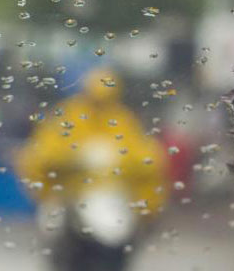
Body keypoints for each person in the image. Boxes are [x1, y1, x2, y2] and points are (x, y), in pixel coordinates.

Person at [16, 68, 169, 271]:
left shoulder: (124, 120)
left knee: (117, 247)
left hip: (112, 203)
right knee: (58, 240)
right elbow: (39, 157)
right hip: (65, 199)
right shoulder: (68, 116)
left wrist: (147, 207)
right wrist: (74, 159)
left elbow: (149, 162)